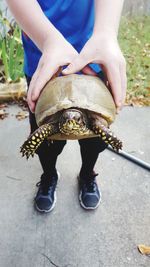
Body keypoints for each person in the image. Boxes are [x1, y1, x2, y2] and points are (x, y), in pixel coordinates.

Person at [7, 0, 126, 213]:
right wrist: (47, 40)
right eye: (71, 118)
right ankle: (49, 174)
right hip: (43, 60)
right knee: (43, 142)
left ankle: (88, 174)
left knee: (95, 142)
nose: (72, 121)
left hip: (93, 55)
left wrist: (106, 32)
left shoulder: (89, 119)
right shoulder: (55, 123)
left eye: (76, 119)